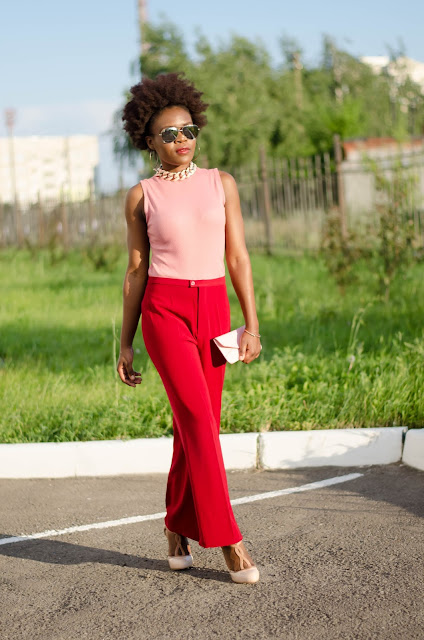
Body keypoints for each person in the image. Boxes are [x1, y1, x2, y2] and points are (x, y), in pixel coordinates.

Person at [117, 72, 262, 584]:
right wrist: (125, 342)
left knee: (196, 427)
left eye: (189, 130)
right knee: (198, 421)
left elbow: (238, 256)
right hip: (165, 312)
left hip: (215, 311)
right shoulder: (141, 196)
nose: (182, 140)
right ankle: (229, 539)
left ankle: (176, 526)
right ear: (149, 142)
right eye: (170, 133)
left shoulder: (222, 184)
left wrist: (251, 323)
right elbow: (135, 271)